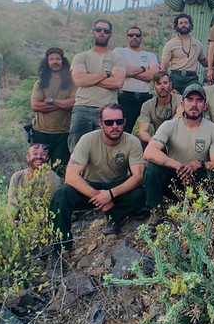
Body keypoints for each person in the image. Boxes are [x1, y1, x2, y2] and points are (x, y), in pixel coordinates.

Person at [49, 103, 147, 244]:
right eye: (108, 122)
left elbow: (139, 176)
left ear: (124, 122)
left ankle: (114, 217)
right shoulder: (88, 140)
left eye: (119, 122)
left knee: (141, 193)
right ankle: (59, 244)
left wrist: (110, 194)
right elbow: (70, 176)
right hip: (89, 188)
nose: (114, 126)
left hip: (115, 187)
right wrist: (99, 197)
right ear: (100, 124)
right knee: (62, 194)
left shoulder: (132, 141)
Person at [143, 84, 214, 212]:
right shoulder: (169, 125)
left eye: (199, 100)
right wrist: (178, 165)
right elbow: (149, 152)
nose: (194, 104)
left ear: (205, 105)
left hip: (197, 180)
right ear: (182, 104)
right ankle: (155, 211)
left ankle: (205, 209)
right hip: (174, 178)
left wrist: (198, 164)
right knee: (152, 168)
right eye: (190, 99)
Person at [68, 19, 126, 151]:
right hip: (82, 107)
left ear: (110, 34)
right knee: (77, 149)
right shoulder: (81, 57)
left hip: (107, 110)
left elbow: (117, 82)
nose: (102, 33)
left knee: (105, 150)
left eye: (106, 31)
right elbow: (79, 80)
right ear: (93, 32)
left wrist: (89, 76)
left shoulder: (117, 59)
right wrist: (106, 74)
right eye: (99, 30)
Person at [30, 47, 76, 175]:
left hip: (63, 133)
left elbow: (73, 103)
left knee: (60, 171)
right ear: (47, 62)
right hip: (41, 132)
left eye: (58, 59)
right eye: (52, 59)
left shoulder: (72, 82)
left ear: (63, 61)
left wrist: (50, 100)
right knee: (37, 170)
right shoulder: (40, 83)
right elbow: (35, 106)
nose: (55, 62)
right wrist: (62, 104)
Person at [113, 26, 160, 134]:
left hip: (145, 97)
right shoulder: (119, 51)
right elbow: (119, 71)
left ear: (141, 38)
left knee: (153, 130)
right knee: (124, 130)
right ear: (126, 37)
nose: (134, 37)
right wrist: (143, 68)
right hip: (125, 97)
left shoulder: (150, 55)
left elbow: (154, 75)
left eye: (137, 35)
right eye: (131, 35)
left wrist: (128, 72)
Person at [160, 13, 208, 94]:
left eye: (186, 22)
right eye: (181, 23)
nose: (183, 25)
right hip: (175, 78)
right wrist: (165, 82)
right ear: (177, 26)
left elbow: (204, 62)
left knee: (198, 94)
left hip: (191, 78)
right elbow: (164, 65)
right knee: (174, 101)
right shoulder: (170, 44)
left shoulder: (197, 43)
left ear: (190, 25)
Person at [7, 143, 63, 208]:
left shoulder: (54, 180)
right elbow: (11, 205)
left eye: (43, 154)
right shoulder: (17, 177)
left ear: (47, 158)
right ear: (27, 157)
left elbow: (53, 208)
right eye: (35, 153)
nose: (39, 157)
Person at [136, 70, 182, 145]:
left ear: (170, 85)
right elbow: (142, 132)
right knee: (140, 143)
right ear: (154, 86)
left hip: (176, 139)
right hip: (158, 140)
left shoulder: (179, 100)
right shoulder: (147, 105)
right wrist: (153, 142)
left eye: (165, 83)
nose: (162, 87)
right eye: (158, 83)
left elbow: (179, 115)